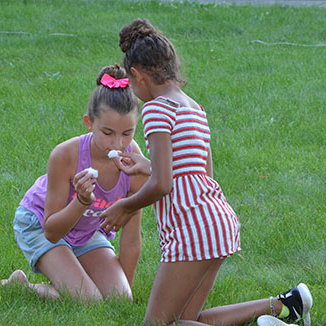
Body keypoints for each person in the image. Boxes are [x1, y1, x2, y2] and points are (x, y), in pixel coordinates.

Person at [100, 19, 312, 326]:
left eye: (132, 84)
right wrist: (146, 166)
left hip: (192, 231)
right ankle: (283, 307)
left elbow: (162, 184)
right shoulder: (194, 108)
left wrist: (125, 207)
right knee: (187, 320)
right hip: (217, 223)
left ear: (138, 75)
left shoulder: (156, 109)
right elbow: (199, 171)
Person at [2, 64, 148, 301]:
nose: (118, 144)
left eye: (127, 133)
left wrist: (125, 298)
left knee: (117, 298)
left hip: (86, 230)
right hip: (41, 223)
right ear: (89, 123)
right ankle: (22, 285)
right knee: (89, 301)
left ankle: (75, 277)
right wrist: (81, 200)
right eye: (108, 133)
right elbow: (51, 231)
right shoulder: (65, 155)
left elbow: (131, 236)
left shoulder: (134, 162)